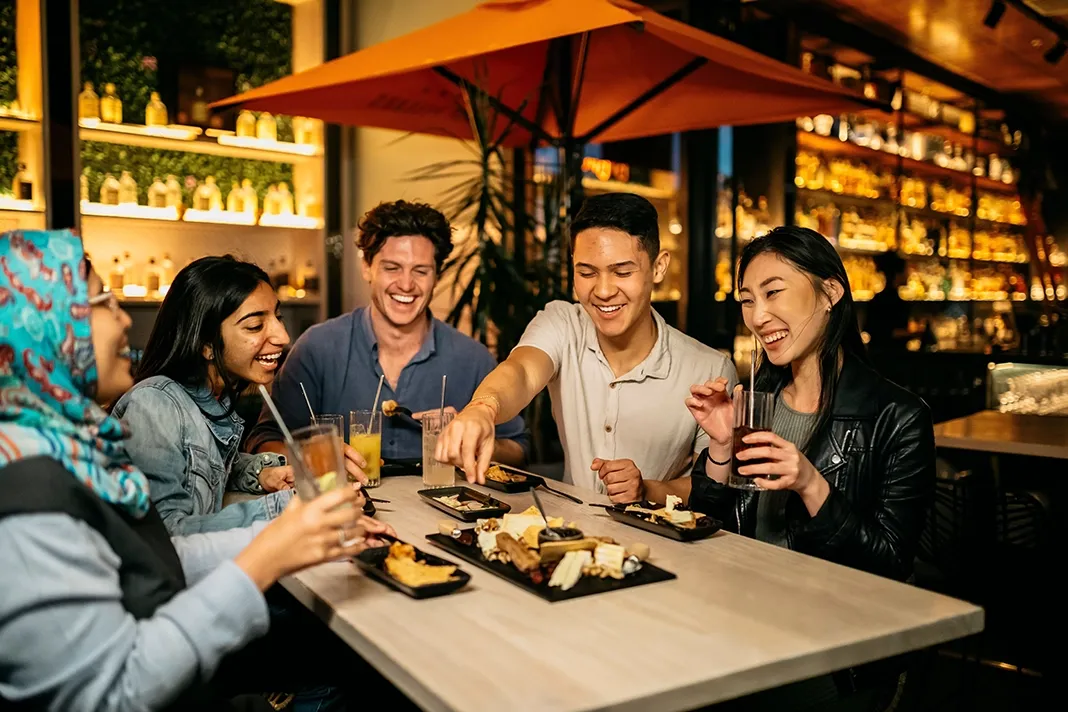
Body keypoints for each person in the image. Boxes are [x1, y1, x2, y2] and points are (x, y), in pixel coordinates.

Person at [0, 229, 394, 710]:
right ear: (47, 326)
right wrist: (274, 540)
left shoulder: (64, 448)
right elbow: (119, 690)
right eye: (103, 300)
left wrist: (286, 515)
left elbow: (154, 554)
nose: (124, 319)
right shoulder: (29, 489)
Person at [684, 226, 935, 710]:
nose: (758, 316)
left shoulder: (896, 416)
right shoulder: (758, 401)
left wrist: (810, 484)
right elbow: (705, 530)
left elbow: (889, 563)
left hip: (835, 656)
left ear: (830, 292)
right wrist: (719, 446)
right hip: (743, 629)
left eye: (774, 292)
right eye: (747, 300)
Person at [437, 192, 738, 502]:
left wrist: (648, 489)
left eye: (622, 272)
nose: (603, 291)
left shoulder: (709, 369)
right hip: (569, 534)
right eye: (587, 273)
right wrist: (483, 408)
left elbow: (713, 490)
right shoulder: (563, 323)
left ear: (658, 267)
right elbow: (522, 371)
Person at [245, 199, 529, 466]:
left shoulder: (472, 359)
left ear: (437, 276)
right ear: (367, 268)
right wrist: (316, 458)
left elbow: (518, 448)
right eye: (392, 268)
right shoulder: (317, 348)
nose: (406, 284)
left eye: (420, 271)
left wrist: (472, 442)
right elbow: (263, 440)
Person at [112, 256, 315, 535]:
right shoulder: (154, 405)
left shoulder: (215, 398)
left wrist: (261, 472)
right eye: (255, 326)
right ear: (206, 344)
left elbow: (204, 466)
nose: (283, 337)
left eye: (277, 317)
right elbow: (164, 535)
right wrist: (288, 507)